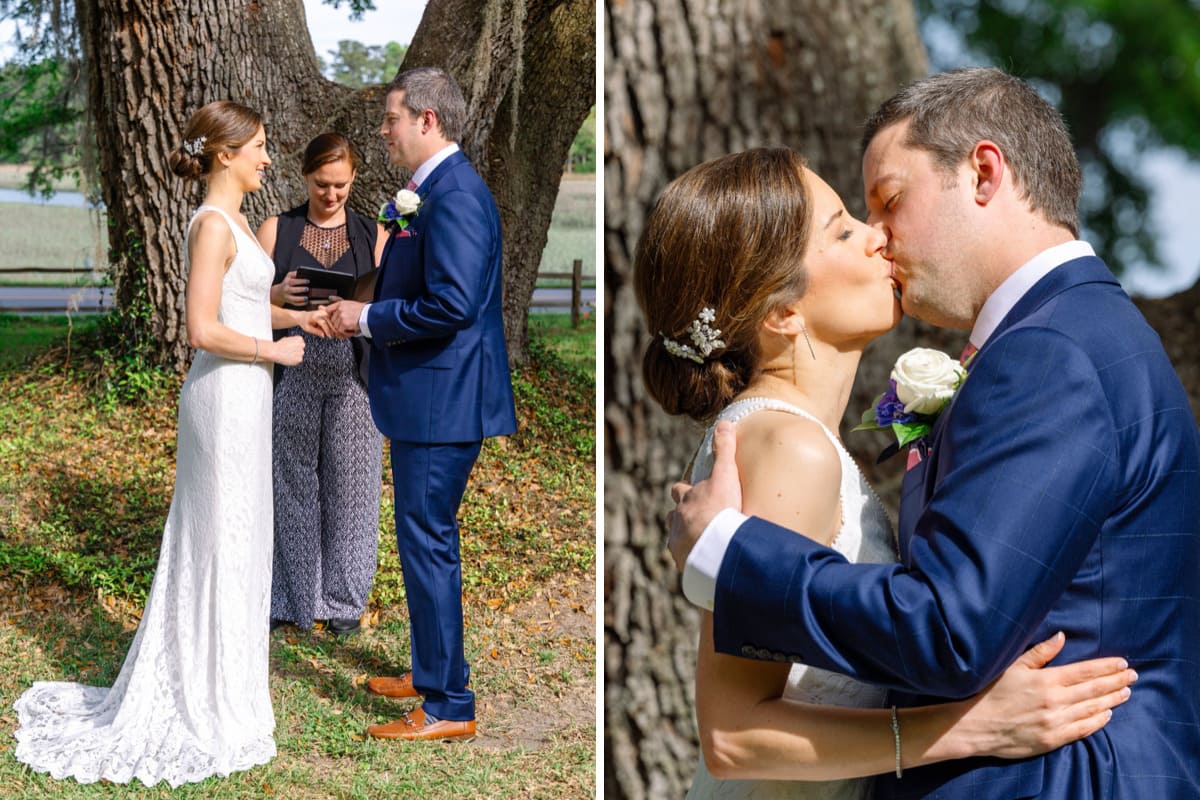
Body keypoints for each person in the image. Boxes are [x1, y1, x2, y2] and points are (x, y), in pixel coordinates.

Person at [669, 68, 1200, 799]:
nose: (879, 239)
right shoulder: (1066, 337)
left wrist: (730, 554)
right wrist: (961, 728)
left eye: (888, 202)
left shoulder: (1052, 352)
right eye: (853, 224)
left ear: (984, 172)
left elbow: (951, 627)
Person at [12, 101, 333, 786]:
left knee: (243, 538)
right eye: (260, 148)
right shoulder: (210, 226)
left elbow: (244, 300)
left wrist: (303, 316)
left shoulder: (239, 221)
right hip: (222, 395)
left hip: (249, 398)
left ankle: (232, 687)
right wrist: (271, 348)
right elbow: (200, 328)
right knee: (215, 538)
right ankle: (196, 692)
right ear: (225, 153)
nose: (268, 159)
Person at [325, 66, 517, 742]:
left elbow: (453, 305)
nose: (384, 130)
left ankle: (449, 708)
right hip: (426, 397)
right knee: (420, 542)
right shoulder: (425, 191)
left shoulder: (457, 196)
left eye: (392, 117)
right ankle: (431, 672)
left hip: (443, 399)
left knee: (428, 543)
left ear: (427, 120)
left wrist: (367, 320)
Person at [256, 132, 387, 637]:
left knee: (352, 488)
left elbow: (380, 304)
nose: (331, 194)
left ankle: (344, 601)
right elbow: (245, 302)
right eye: (321, 184)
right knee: (292, 484)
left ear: (353, 179)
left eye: (340, 185)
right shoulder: (277, 230)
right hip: (294, 369)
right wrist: (278, 291)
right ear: (304, 175)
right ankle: (292, 596)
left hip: (353, 377)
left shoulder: (370, 234)